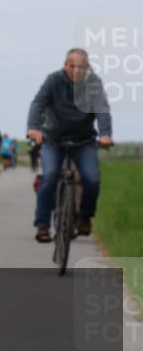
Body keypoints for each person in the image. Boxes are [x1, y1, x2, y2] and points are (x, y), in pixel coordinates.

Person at [27, 48, 113, 243]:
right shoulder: (54, 80)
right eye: (72, 66)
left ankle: (84, 217)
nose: (76, 70)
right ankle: (42, 225)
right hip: (53, 140)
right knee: (49, 176)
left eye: (81, 66)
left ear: (87, 67)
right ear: (65, 65)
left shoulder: (94, 84)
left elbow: (102, 110)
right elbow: (38, 103)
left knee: (91, 179)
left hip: (83, 141)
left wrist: (106, 134)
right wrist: (33, 128)